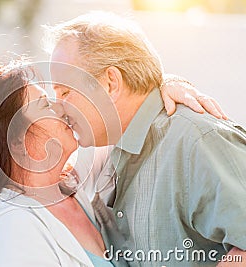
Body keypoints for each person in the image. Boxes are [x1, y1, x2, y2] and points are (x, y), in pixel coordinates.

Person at [0, 56, 222, 267]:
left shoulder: (75, 181)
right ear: (15, 139)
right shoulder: (8, 232)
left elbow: (130, 107)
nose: (61, 107)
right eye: (44, 104)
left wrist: (166, 85)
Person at [45, 11, 246, 266]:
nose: (59, 107)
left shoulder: (196, 142)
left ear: (111, 83)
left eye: (65, 91)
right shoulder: (111, 156)